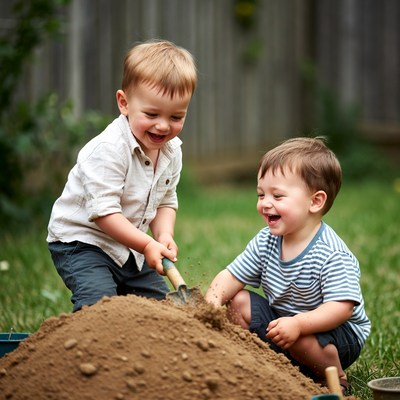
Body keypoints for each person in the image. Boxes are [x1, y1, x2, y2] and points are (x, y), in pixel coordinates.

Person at [205, 137, 370, 395]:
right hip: (283, 323)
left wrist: (300, 324)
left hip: (334, 334)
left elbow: (342, 308)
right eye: (261, 194)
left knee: (301, 339)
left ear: (315, 201)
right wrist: (212, 304)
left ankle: (336, 378)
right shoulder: (266, 240)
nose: (265, 203)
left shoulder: (331, 253)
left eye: (277, 196)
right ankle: (253, 361)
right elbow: (232, 276)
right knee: (237, 301)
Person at [47, 39, 197, 312]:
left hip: (130, 248)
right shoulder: (108, 150)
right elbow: (104, 213)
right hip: (83, 242)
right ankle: (88, 344)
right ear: (124, 103)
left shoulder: (172, 151)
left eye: (176, 117)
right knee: (100, 304)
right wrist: (146, 243)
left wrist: (163, 235)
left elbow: (165, 201)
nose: (163, 126)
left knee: (159, 311)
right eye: (152, 114)